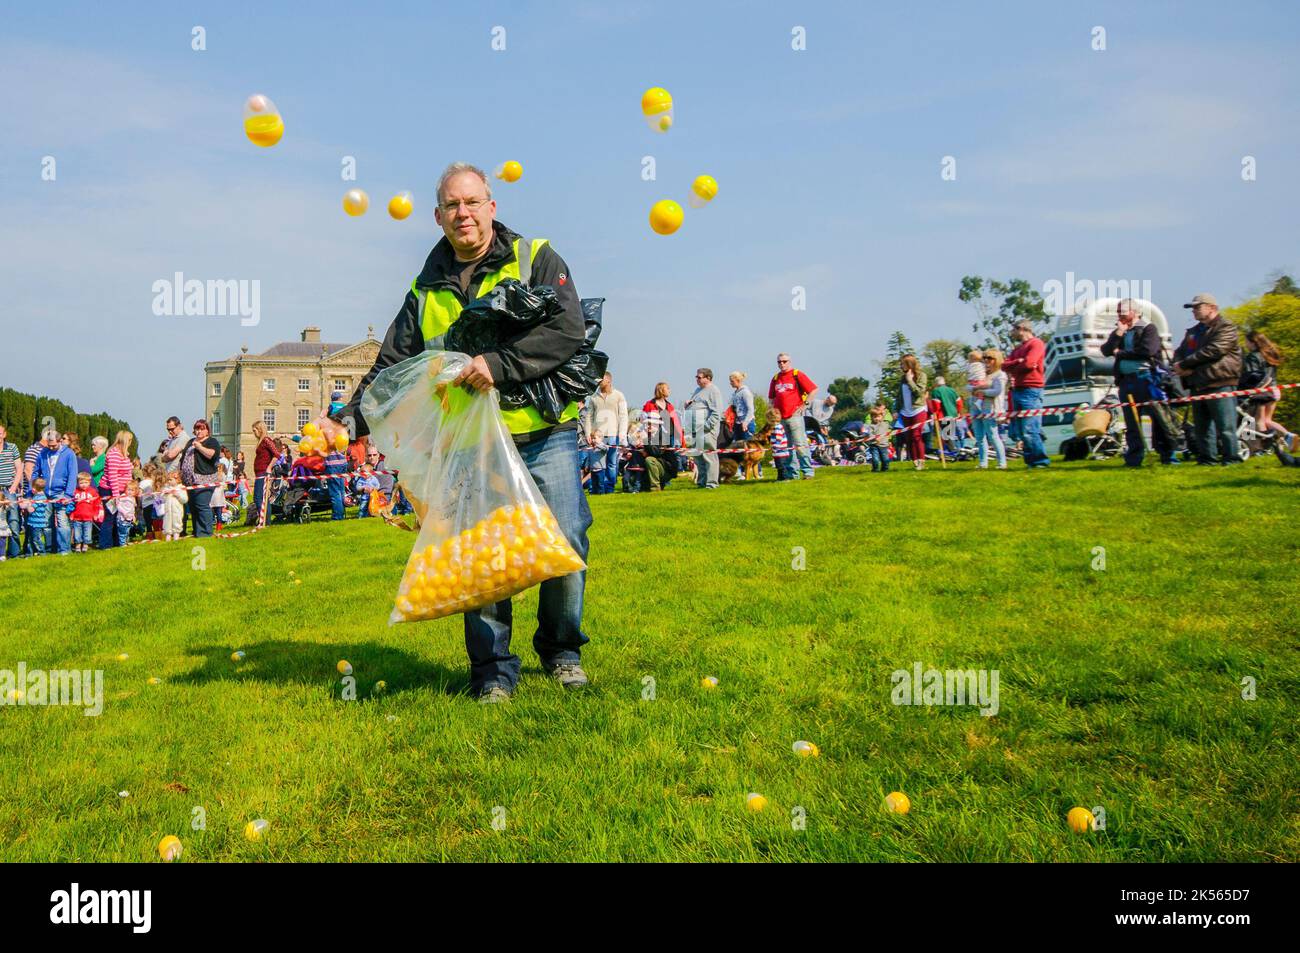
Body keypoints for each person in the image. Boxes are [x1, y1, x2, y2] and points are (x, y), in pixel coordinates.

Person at [324, 161, 593, 703]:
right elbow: (392, 365)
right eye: (452, 205)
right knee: (479, 555)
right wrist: (349, 417)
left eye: (473, 202)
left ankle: (561, 650)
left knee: (565, 536)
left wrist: (499, 363)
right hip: (470, 442)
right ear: (438, 217)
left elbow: (567, 329)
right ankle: (493, 670)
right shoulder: (424, 289)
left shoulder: (535, 257)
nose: (463, 213)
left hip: (542, 429)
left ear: (492, 207)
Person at [1099, 299, 1181, 467]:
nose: (1119, 314)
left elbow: (1147, 351)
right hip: (1126, 382)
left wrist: (1120, 353)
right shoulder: (1120, 332)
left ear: (1135, 312)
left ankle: (1168, 456)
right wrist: (1118, 335)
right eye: (1118, 311)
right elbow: (1106, 351)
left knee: (1159, 418)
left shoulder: (1148, 328)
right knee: (1131, 423)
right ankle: (1134, 459)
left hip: (1147, 379)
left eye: (1123, 311)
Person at [1171, 293, 1242, 465]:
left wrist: (1186, 365)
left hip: (1220, 381)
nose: (1194, 311)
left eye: (1197, 307)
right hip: (1198, 383)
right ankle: (1207, 459)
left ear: (1212, 307)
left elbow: (1214, 350)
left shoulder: (1226, 327)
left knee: (1225, 427)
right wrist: (1178, 364)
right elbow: (1179, 352)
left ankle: (1231, 458)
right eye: (1192, 308)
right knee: (1202, 428)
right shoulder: (1194, 332)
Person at [1002, 320, 1051, 468]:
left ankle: (1040, 462)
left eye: (1013, 330)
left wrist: (1015, 366)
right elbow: (1004, 365)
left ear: (1021, 329)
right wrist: (1019, 361)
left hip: (1031, 390)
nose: (1012, 333)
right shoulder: (1017, 349)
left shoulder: (1036, 344)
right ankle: (1031, 462)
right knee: (1023, 431)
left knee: (1030, 429)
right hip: (1017, 390)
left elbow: (1030, 363)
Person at [1240, 330, 1295, 450]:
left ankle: (1265, 447)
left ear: (1253, 342)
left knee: (1259, 420)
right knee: (1267, 420)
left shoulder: (1253, 356)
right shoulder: (1269, 354)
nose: (1245, 344)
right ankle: (1285, 438)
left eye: (1246, 341)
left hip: (1262, 391)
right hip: (1274, 390)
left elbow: (1253, 376)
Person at [768, 353, 817, 479]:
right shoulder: (775, 378)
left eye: (784, 361)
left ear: (789, 361)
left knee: (800, 445)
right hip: (781, 419)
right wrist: (772, 414)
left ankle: (807, 472)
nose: (782, 364)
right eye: (779, 362)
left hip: (795, 416)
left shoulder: (797, 374)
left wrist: (805, 405)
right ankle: (792, 473)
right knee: (787, 448)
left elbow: (813, 390)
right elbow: (771, 398)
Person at [35, 428, 78, 554]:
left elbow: (72, 474)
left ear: (60, 441)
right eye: (49, 445)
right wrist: (36, 487)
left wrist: (68, 495)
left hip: (62, 493)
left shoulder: (69, 454)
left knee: (62, 522)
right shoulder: (43, 453)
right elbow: (36, 471)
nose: (51, 448)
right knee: (47, 523)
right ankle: (50, 548)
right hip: (46, 493)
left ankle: (64, 549)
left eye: (54, 445)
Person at [584, 372, 628, 494]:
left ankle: (609, 488)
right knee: (597, 464)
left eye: (601, 379)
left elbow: (623, 415)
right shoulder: (593, 397)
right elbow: (589, 416)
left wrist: (622, 433)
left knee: (611, 463)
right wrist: (588, 433)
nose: (598, 381)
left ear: (609, 380)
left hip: (613, 435)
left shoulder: (619, 396)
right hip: (598, 436)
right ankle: (597, 488)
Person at [684, 368, 723, 489]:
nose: (697, 379)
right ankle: (702, 482)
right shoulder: (697, 390)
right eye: (696, 377)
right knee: (698, 457)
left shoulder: (713, 391)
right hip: (695, 430)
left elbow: (717, 412)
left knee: (709, 457)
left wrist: (706, 426)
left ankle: (711, 484)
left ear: (708, 378)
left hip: (706, 431)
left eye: (700, 377)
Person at [183, 419, 222, 537]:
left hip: (205, 478)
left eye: (202, 429)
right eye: (197, 429)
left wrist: (199, 447)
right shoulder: (190, 442)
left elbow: (212, 455)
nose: (199, 431)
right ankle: (197, 531)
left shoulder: (212, 441)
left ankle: (206, 532)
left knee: (202, 505)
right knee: (194, 506)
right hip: (190, 480)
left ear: (207, 431)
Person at [970, 350, 1008, 470]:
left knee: (993, 436)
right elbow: (969, 386)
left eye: (989, 358)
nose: (986, 360)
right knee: (979, 437)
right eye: (984, 358)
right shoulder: (981, 374)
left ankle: (1002, 462)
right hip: (976, 406)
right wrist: (974, 387)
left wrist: (983, 391)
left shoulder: (1000, 375)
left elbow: (998, 391)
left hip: (990, 408)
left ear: (997, 359)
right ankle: (983, 463)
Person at [897, 355, 929, 470]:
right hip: (905, 411)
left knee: (916, 435)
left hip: (918, 409)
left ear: (909, 364)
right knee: (909, 437)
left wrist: (910, 381)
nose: (900, 366)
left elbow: (919, 393)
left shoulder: (921, 376)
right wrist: (897, 409)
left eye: (902, 363)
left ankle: (921, 460)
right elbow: (899, 395)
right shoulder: (902, 378)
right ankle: (915, 461)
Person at [248, 420, 278, 526]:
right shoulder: (261, 441)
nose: (254, 433)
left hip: (263, 473)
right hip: (259, 473)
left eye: (254, 430)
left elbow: (276, 454)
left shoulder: (266, 440)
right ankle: (263, 521)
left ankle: (265, 522)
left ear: (260, 430)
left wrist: (269, 467)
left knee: (259, 498)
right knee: (260, 497)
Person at [0, 425, 22, 561]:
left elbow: (19, 468)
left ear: (4, 434)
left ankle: (14, 553)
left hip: (9, 489)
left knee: (13, 520)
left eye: (0, 433)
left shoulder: (12, 447)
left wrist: (14, 487)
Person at [642, 382, 683, 450]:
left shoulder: (670, 405)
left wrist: (680, 438)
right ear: (661, 390)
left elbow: (676, 424)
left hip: (670, 437)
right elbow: (643, 420)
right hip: (655, 437)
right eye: (667, 388)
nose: (669, 390)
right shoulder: (649, 404)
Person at [70, 471, 103, 552]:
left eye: (86, 482)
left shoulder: (93, 492)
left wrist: (95, 514)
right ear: (78, 483)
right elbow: (72, 505)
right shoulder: (75, 492)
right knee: (77, 533)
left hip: (88, 517)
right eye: (81, 483)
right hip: (77, 517)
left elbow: (96, 504)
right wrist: (72, 514)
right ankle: (78, 546)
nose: (84, 484)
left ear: (89, 482)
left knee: (87, 533)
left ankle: (85, 545)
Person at [929, 377, 959, 455]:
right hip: (953, 414)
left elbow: (936, 405)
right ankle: (952, 449)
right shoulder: (952, 390)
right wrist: (957, 412)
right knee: (950, 434)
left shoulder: (936, 391)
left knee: (946, 434)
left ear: (936, 383)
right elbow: (959, 402)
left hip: (943, 415)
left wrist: (935, 413)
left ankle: (952, 451)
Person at [22, 478, 51, 556]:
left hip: (37, 523)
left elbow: (31, 510)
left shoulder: (40, 498)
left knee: (36, 539)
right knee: (30, 538)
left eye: (33, 487)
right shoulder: (37, 496)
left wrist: (27, 504)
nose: (32, 489)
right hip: (32, 521)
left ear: (35, 488)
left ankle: (42, 552)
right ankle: (29, 553)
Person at [729, 372, 756, 440]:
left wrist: (745, 422)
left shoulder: (745, 392)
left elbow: (750, 409)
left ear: (738, 381)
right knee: (738, 447)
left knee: (747, 447)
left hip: (747, 424)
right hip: (737, 423)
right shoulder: (735, 393)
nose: (730, 383)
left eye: (732, 381)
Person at [163, 471, 188, 540]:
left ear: (177, 479)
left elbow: (185, 500)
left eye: (170, 479)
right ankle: (168, 536)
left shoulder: (181, 488)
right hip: (168, 510)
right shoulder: (166, 488)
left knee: (177, 522)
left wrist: (178, 495)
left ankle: (176, 536)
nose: (169, 481)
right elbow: (162, 499)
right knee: (167, 522)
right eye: (168, 479)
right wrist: (164, 494)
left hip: (177, 510)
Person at [866, 405, 891, 472]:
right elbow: (870, 434)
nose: (877, 418)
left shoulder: (885, 424)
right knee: (875, 459)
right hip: (874, 445)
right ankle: (875, 469)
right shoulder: (871, 426)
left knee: (885, 459)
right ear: (871, 417)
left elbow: (892, 427)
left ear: (882, 417)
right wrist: (874, 438)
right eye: (874, 417)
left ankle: (885, 469)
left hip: (884, 445)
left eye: (878, 417)